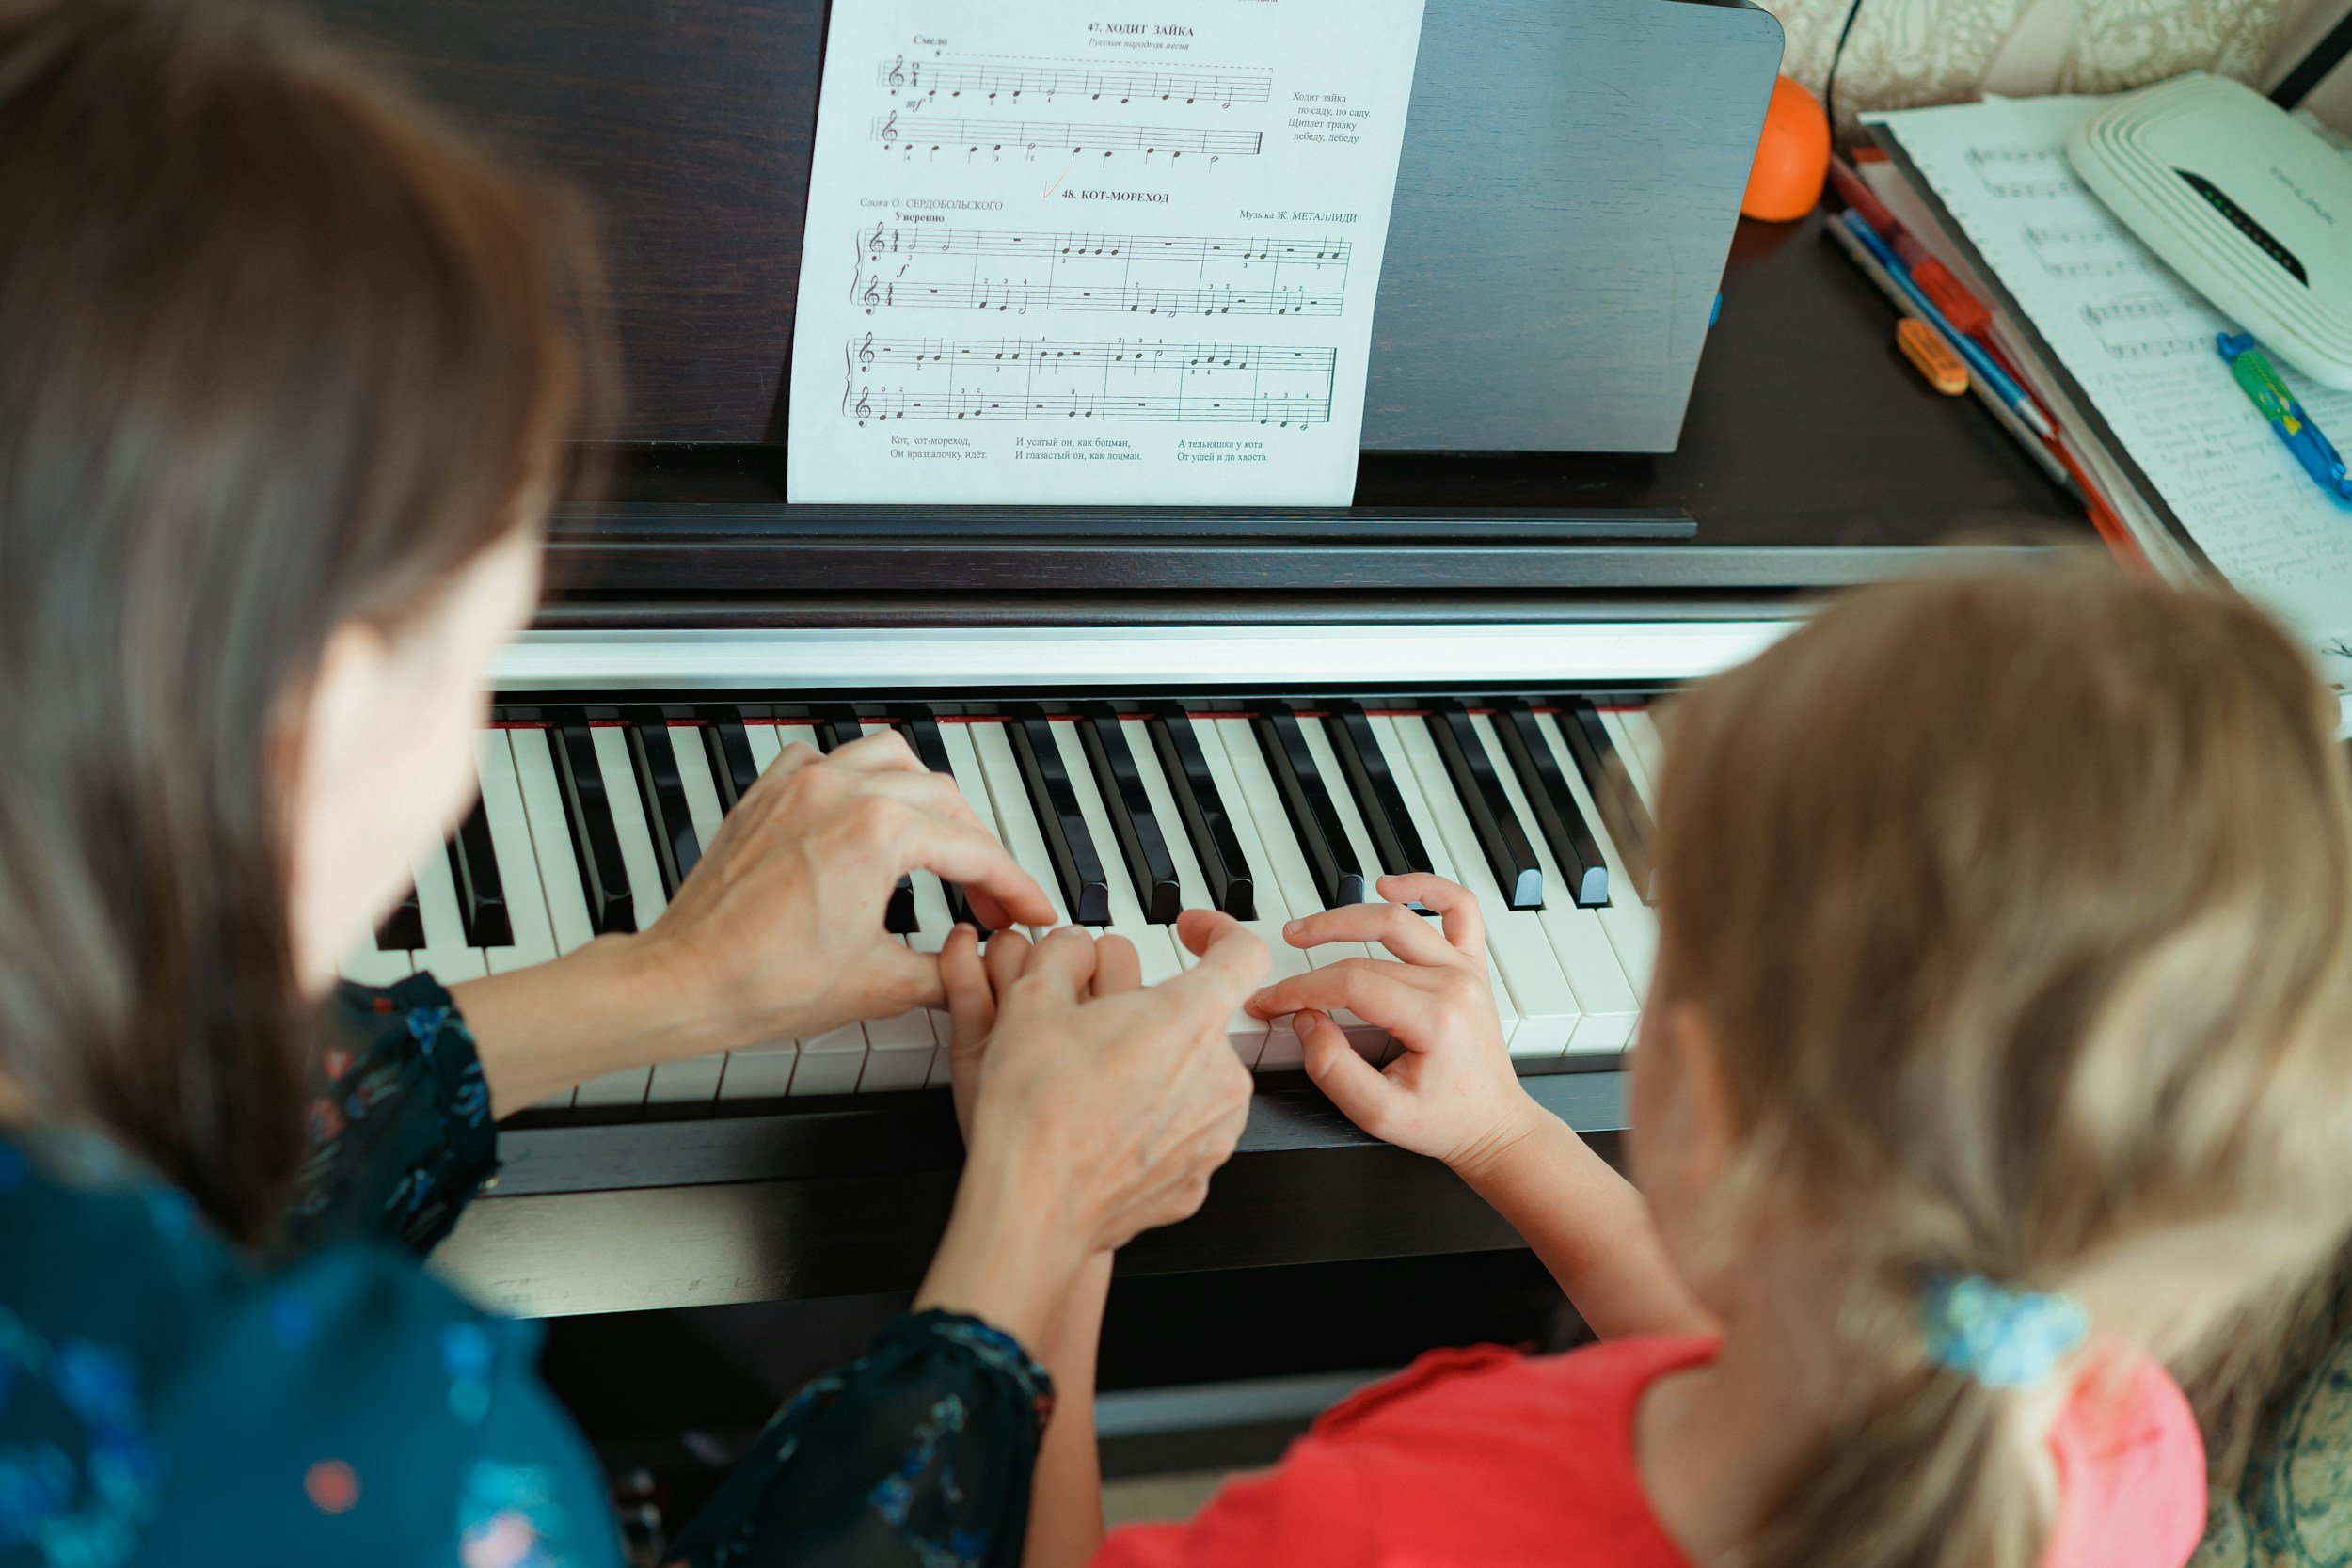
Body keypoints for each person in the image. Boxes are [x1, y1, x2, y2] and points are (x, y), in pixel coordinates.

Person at [0, 3, 1268, 1565]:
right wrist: (1035, 1225)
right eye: (482, 647)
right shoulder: (409, 1471)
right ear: (310, 707)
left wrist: (667, 984)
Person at [979, 563, 2352, 1568]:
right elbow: (1785, 1347)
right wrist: (1503, 1136)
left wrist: (1059, 1202)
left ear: (1709, 1099)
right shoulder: (2111, 1437)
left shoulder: (1385, 1534)